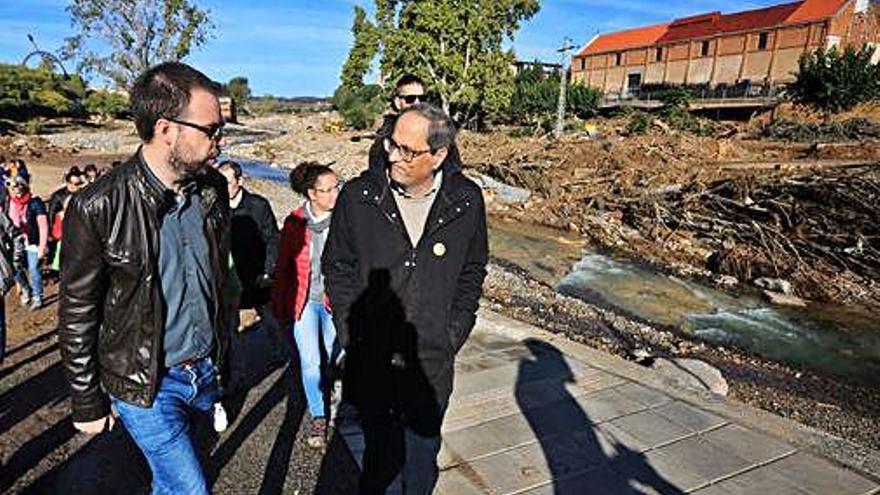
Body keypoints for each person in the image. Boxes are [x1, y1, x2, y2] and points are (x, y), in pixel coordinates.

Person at [58, 61, 230, 495]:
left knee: (170, 484)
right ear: (166, 128)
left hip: (206, 371)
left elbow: (216, 282)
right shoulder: (98, 205)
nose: (220, 140)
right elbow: (77, 308)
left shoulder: (212, 190)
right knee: (192, 489)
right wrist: (86, 400)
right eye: (210, 129)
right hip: (147, 383)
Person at [323, 103, 488, 494]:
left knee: (420, 463)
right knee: (379, 462)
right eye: (391, 145)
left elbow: (472, 270)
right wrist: (352, 336)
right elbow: (338, 268)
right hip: (372, 362)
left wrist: (452, 332)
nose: (393, 157)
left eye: (408, 151)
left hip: (430, 363)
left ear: (440, 155)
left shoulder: (466, 200)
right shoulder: (359, 196)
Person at [271, 161, 340, 448]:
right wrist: (279, 308)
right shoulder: (295, 222)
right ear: (312, 193)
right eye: (328, 189)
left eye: (337, 186)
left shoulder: (345, 220)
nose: (335, 193)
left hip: (335, 303)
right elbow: (284, 267)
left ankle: (336, 396)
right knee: (311, 363)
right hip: (304, 304)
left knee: (334, 358)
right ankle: (319, 415)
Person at [217, 160, 278, 312]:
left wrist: (268, 272)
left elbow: (272, 239)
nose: (223, 188)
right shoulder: (214, 207)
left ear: (240, 181)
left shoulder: (258, 206)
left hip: (255, 281)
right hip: (224, 283)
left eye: (228, 183)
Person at [368, 74, 427, 172]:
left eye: (422, 99)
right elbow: (376, 175)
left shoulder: (438, 131)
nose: (417, 103)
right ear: (397, 102)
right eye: (410, 99)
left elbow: (452, 173)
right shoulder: (385, 137)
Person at [7, 175, 48, 310]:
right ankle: (26, 289)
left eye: (19, 185)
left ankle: (37, 296)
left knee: (33, 269)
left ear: (25, 186)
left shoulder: (35, 203)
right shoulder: (9, 202)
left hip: (33, 242)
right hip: (15, 242)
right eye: (13, 187)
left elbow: (43, 226)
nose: (16, 189)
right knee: (15, 269)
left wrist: (42, 247)